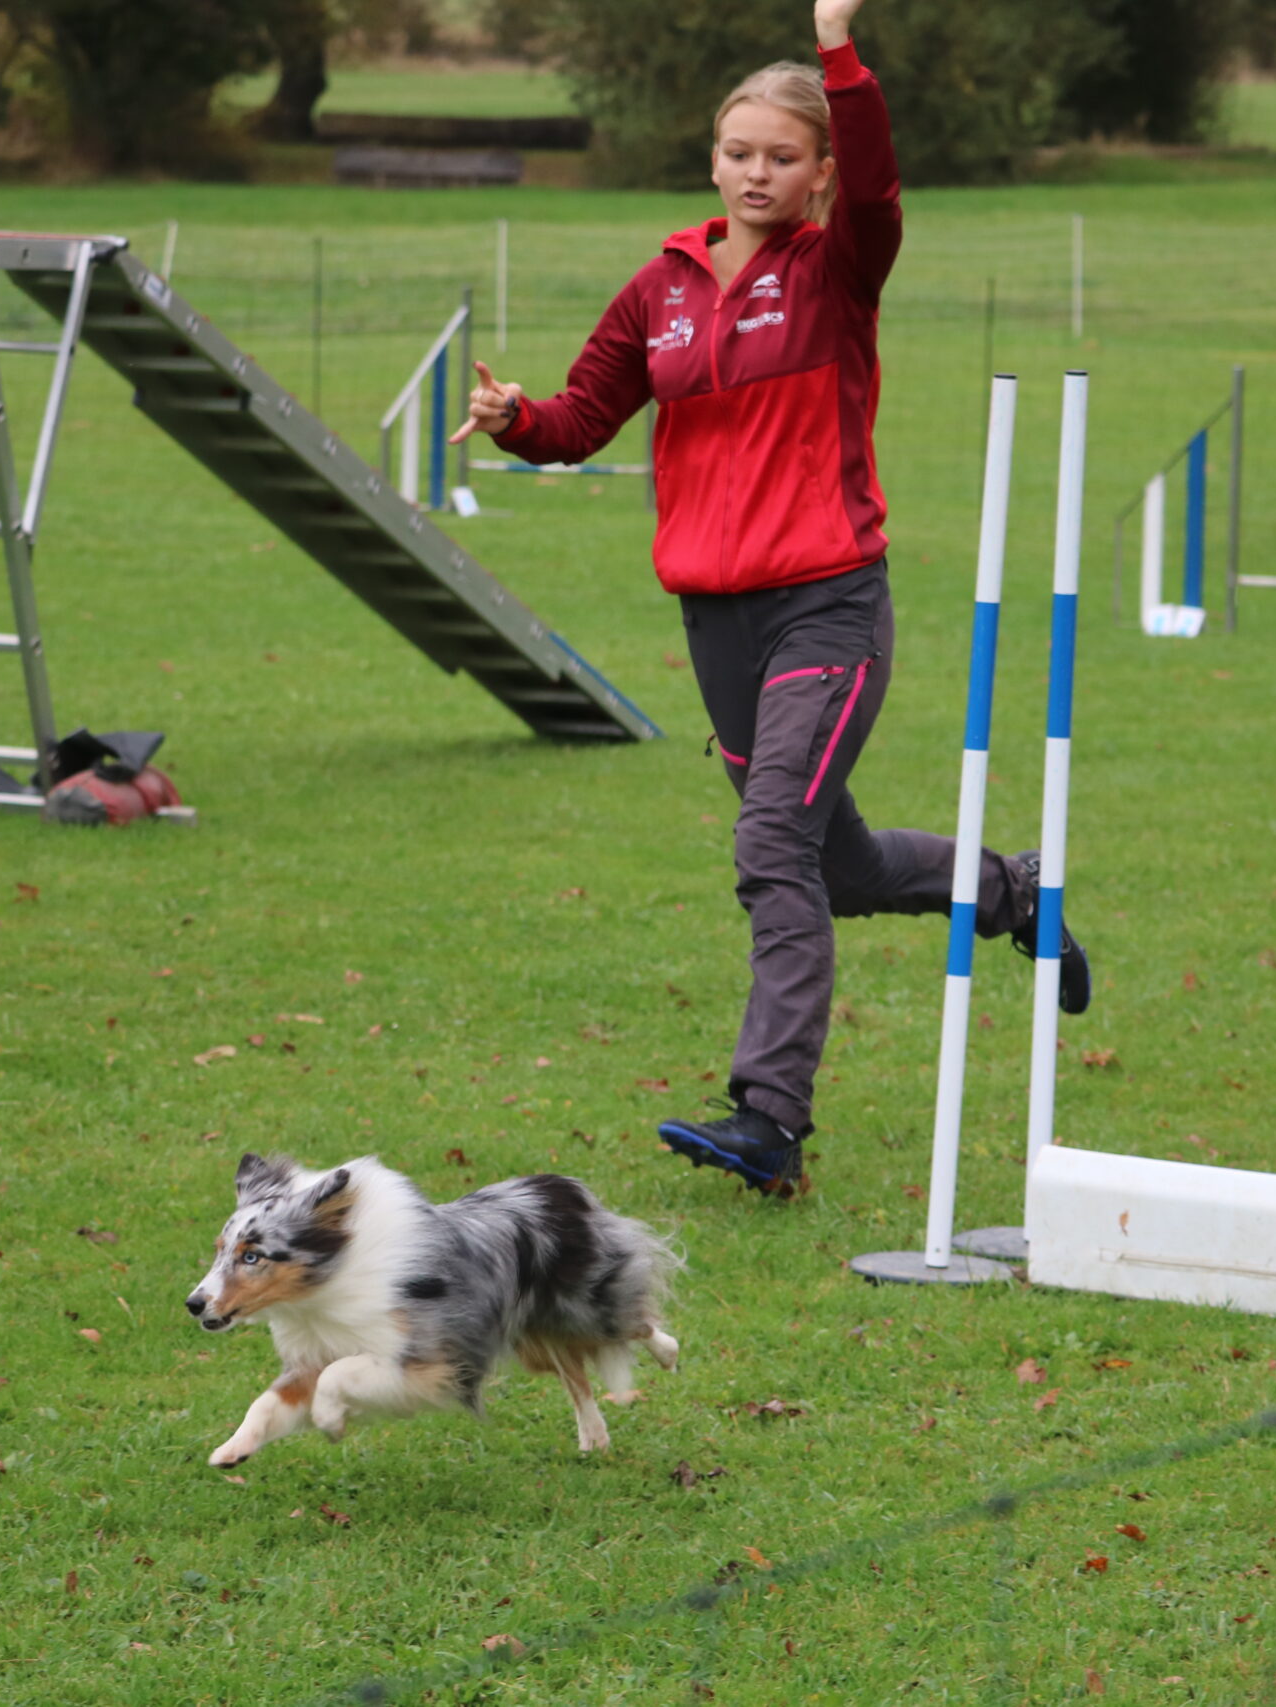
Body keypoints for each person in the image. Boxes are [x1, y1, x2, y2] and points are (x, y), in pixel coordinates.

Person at [449, 0, 1091, 1201]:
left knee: (768, 843)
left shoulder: (840, 267)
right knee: (830, 864)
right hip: (716, 622)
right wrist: (515, 422)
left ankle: (768, 1119)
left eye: (783, 157)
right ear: (713, 158)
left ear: (818, 172)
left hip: (829, 608)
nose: (757, 172)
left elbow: (887, 189)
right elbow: (582, 423)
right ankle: (1014, 887)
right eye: (740, 152)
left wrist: (838, 50)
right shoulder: (662, 288)